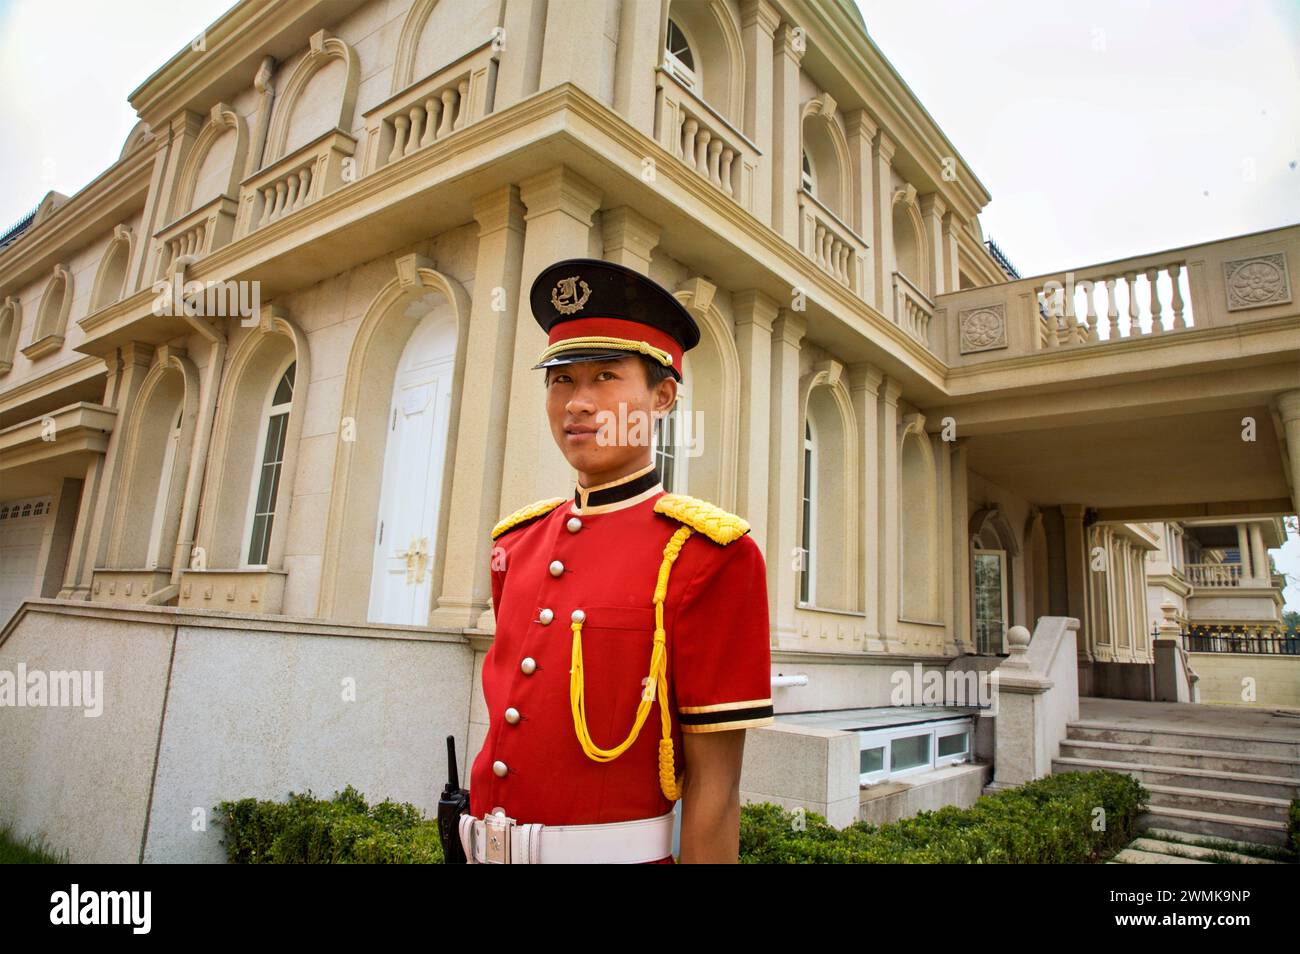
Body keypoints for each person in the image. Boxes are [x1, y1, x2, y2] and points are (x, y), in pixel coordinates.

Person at [459, 257, 775, 864]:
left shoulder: (710, 556)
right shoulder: (514, 547)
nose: (577, 402)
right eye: (560, 379)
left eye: (604, 376)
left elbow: (716, 788)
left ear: (661, 396)